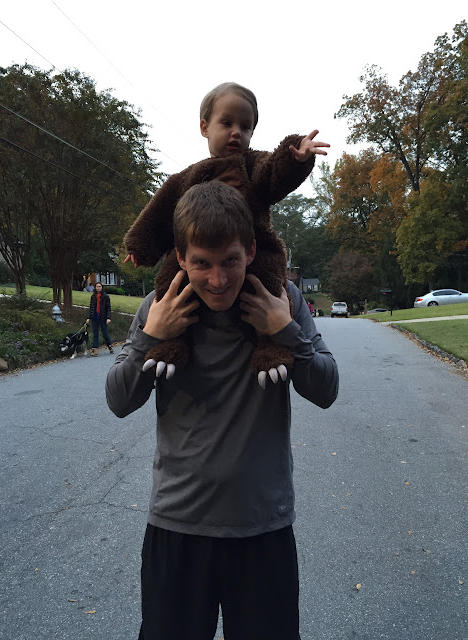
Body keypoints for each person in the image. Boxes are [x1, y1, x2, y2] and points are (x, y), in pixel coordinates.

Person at [106, 181, 339, 640]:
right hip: (177, 527)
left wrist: (286, 332)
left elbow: (327, 389)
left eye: (230, 260)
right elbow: (119, 400)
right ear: (180, 257)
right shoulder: (159, 307)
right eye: (202, 263)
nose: (218, 280)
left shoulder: (282, 300)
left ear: (251, 251)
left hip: (262, 530)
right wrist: (151, 338)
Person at [123, 82, 330, 381]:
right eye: (227, 123)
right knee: (170, 281)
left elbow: (274, 172)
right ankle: (171, 343)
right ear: (204, 127)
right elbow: (160, 210)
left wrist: (296, 157)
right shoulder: (186, 178)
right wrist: (141, 245)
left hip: (257, 252)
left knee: (272, 285)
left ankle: (270, 346)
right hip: (199, 253)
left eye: (245, 127)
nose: (236, 132)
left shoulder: (252, 165)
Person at [86, 282, 114, 356]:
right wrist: (88, 317)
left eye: (99, 286)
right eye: (97, 286)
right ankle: (95, 349)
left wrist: (108, 318)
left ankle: (109, 345)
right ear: (95, 288)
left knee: (105, 333)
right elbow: (91, 307)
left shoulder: (106, 297)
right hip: (94, 317)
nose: (98, 288)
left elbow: (108, 308)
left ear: (102, 287)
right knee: (95, 334)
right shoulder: (93, 296)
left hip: (103, 317)